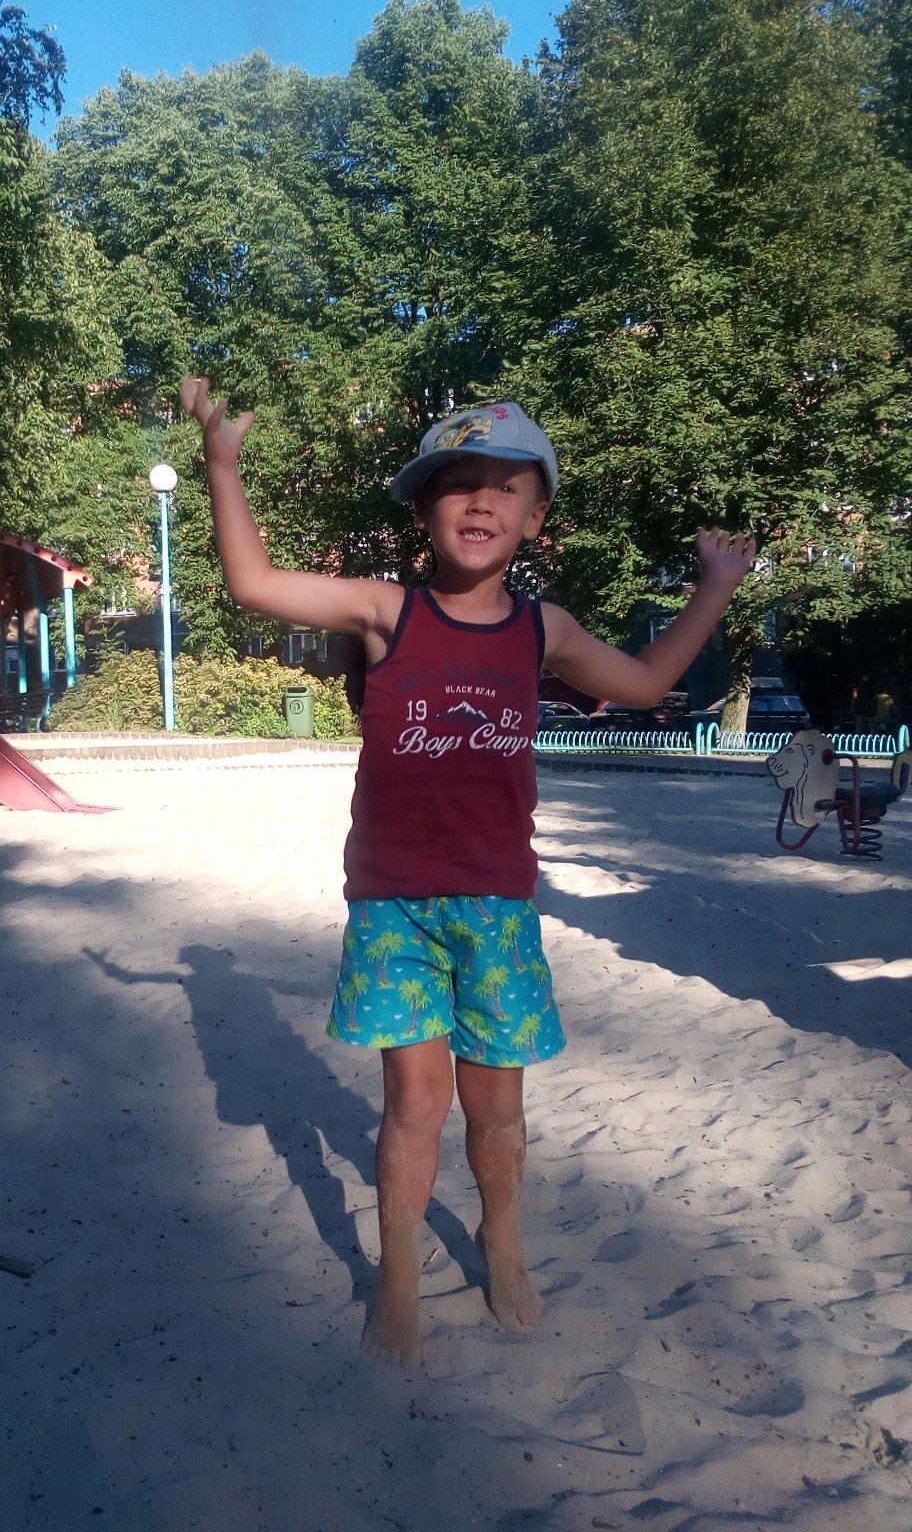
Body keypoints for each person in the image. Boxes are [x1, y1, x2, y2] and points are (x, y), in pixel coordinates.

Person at [180, 375, 757, 1367]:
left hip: (498, 906)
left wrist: (714, 589)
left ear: (535, 517)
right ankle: (400, 1270)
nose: (480, 501)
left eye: (505, 486)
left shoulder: (544, 631)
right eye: (457, 484)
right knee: (415, 1105)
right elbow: (256, 583)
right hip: (394, 908)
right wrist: (222, 464)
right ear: (424, 510)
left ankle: (503, 1241)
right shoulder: (384, 612)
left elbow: (648, 681)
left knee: (497, 1108)